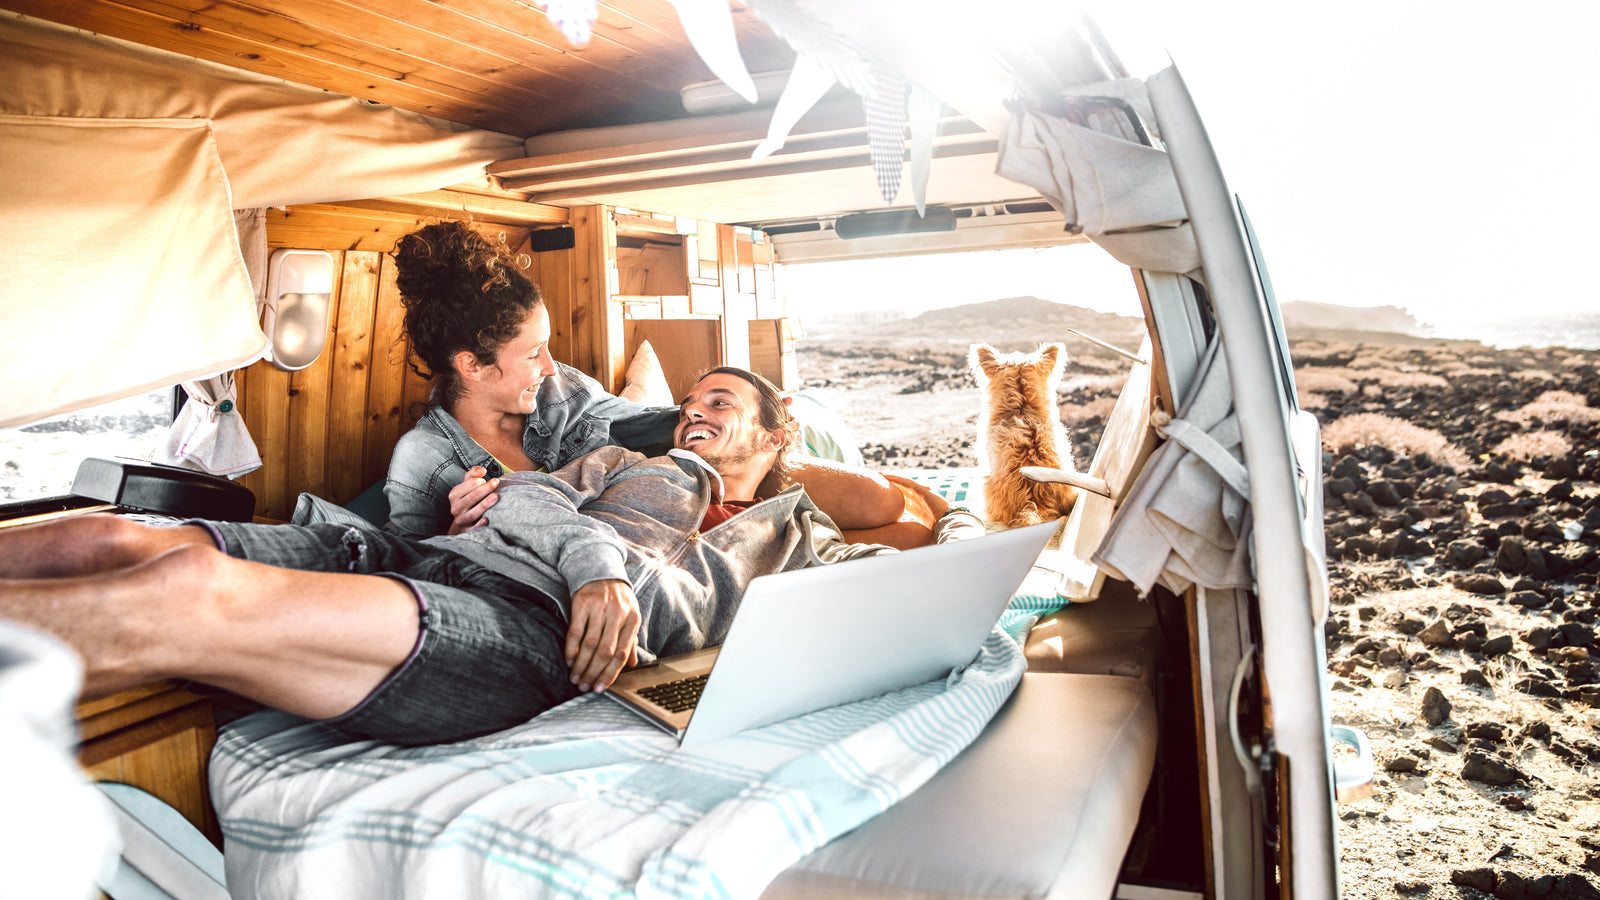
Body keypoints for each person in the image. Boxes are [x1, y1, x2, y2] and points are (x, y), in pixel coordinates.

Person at [0, 368, 977, 746]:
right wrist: (594, 559)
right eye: (693, 399)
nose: (695, 411)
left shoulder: (799, 542)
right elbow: (532, 494)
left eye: (722, 403)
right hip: (417, 553)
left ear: (777, 427)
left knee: (190, 588)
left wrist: (784, 470)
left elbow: (925, 533)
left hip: (524, 632)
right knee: (115, 534)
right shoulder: (620, 458)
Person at [380, 220, 935, 548]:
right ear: (471, 365)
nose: (551, 366)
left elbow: (642, 422)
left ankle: (930, 509)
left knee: (896, 513)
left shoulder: (562, 391)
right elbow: (411, 570)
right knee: (901, 538)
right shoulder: (425, 460)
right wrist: (456, 532)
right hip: (642, 558)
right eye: (533, 353)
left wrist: (728, 422)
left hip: (685, 489)